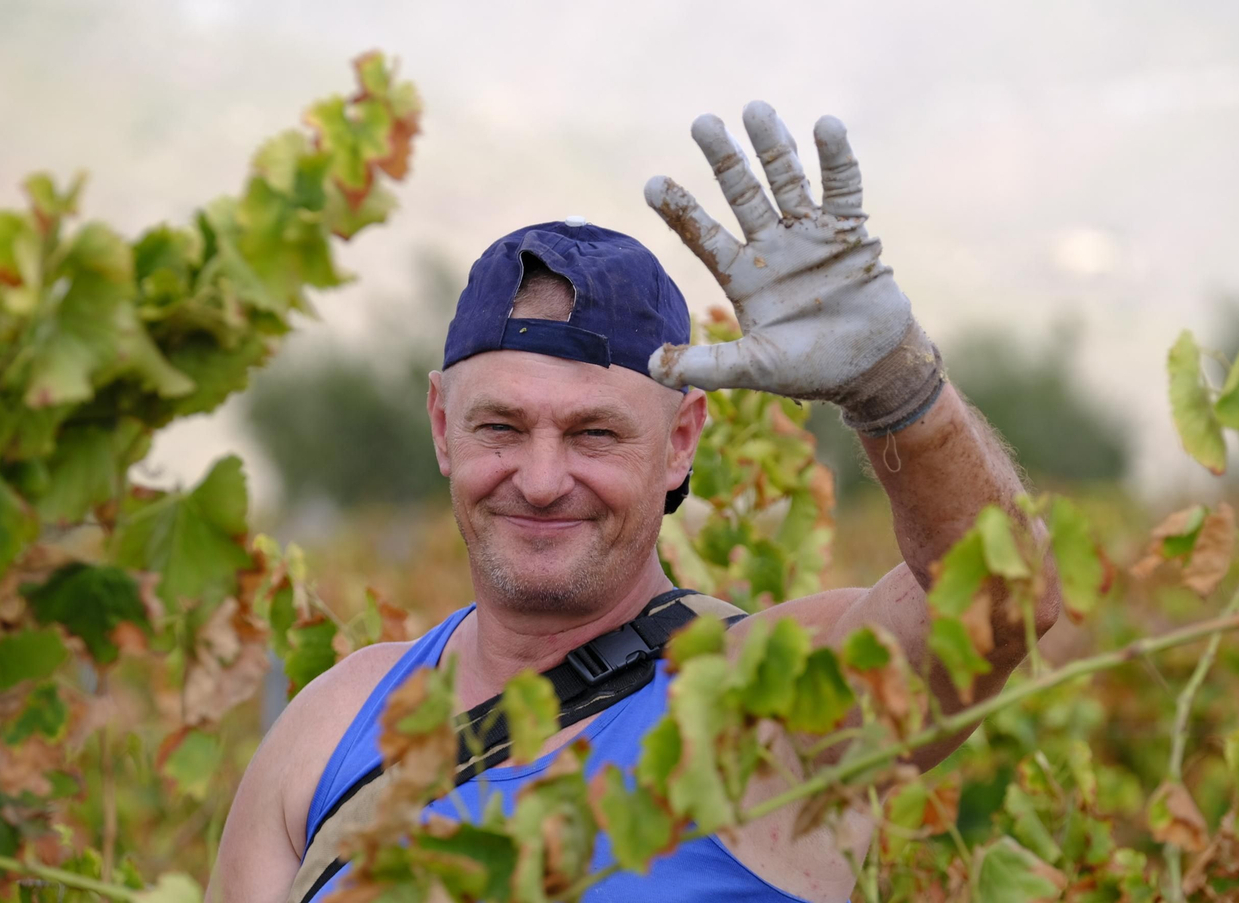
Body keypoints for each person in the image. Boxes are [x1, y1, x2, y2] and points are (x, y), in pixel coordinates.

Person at [210, 101, 1058, 903]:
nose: (541, 480)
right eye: (500, 426)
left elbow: (1000, 603)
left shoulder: (767, 704)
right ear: (441, 426)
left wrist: (895, 386)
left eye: (594, 434)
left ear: (682, 440)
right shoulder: (330, 725)